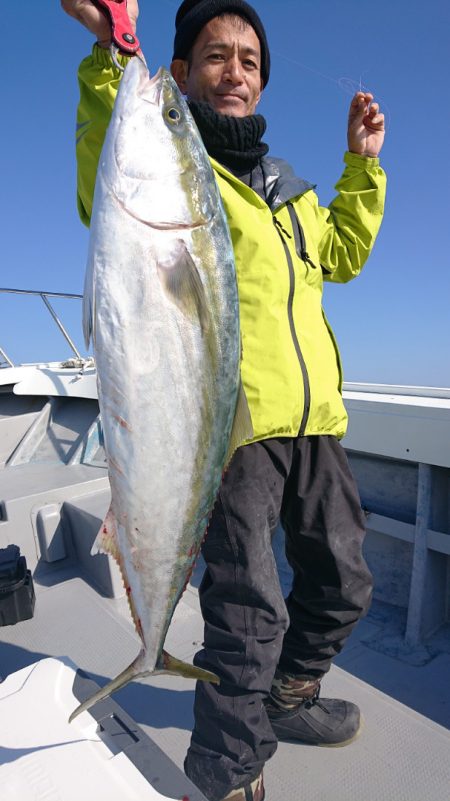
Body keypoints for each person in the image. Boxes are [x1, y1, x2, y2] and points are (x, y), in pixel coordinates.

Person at [61, 2, 386, 799]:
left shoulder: (291, 191)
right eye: (215, 56)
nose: (235, 70)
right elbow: (114, 159)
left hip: (315, 422)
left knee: (345, 583)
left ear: (262, 78)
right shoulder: (175, 164)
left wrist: (362, 167)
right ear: (181, 73)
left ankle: (288, 695)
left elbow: (341, 254)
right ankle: (229, 772)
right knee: (248, 614)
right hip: (232, 429)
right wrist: (112, 54)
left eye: (248, 59)